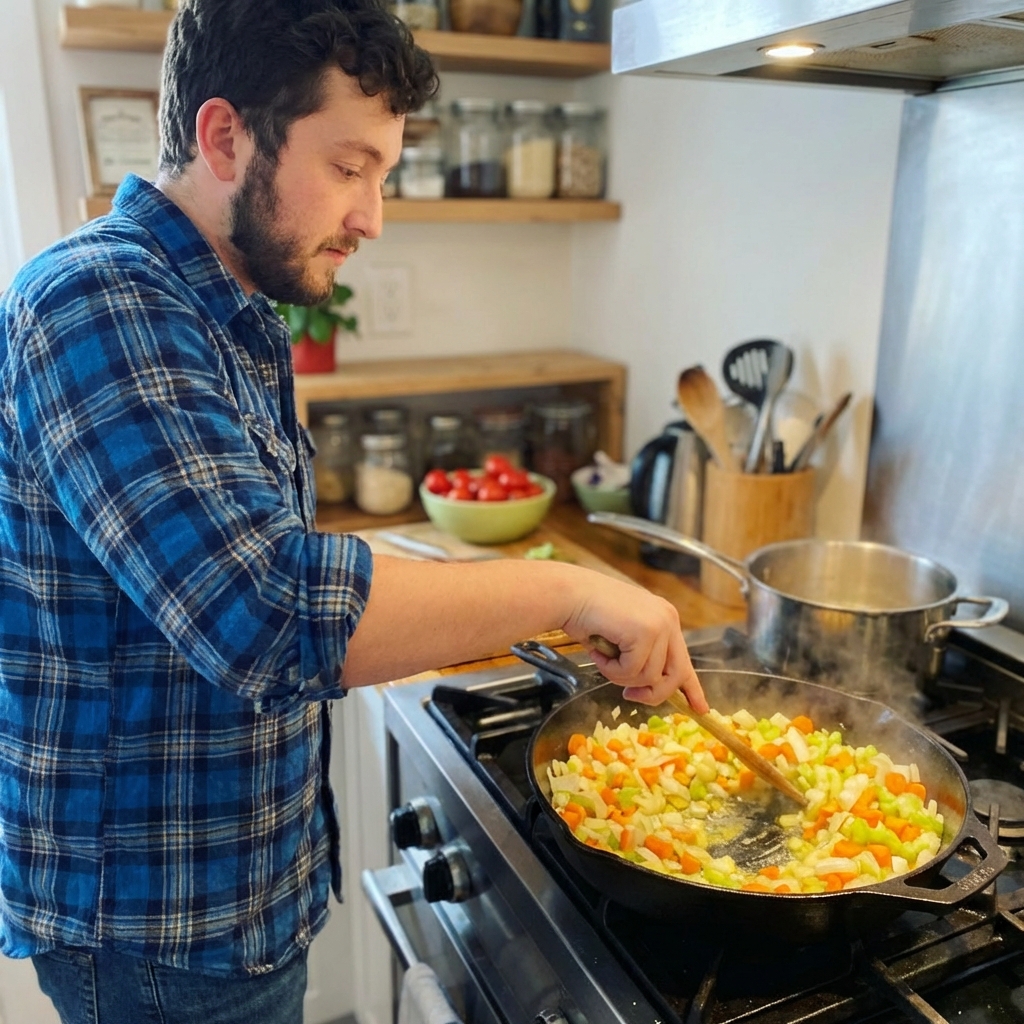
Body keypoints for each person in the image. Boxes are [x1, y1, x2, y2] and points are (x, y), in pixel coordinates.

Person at [0, 0, 705, 1020]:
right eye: (348, 166)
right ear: (224, 135)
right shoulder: (98, 297)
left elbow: (252, 556)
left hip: (228, 892)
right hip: (158, 926)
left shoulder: (224, 304)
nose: (373, 214)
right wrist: (566, 587)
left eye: (383, 172)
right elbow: (267, 614)